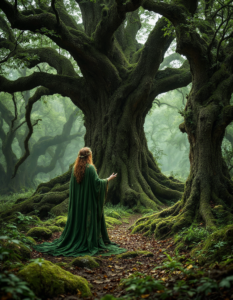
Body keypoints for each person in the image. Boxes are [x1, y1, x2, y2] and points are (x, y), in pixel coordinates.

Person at [33, 147, 127, 257]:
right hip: (88, 203)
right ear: (89, 156)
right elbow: (97, 184)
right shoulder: (90, 168)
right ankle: (88, 240)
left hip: (78, 204)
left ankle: (78, 237)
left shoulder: (74, 169)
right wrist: (109, 179)